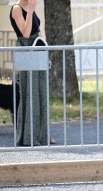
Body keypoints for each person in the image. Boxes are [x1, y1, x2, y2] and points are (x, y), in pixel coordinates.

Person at [9, 0, 55, 146]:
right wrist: (30, 10)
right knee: (30, 95)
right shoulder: (17, 8)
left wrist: (44, 57)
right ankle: (28, 137)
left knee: (41, 94)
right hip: (27, 52)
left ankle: (42, 136)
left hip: (36, 52)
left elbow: (36, 35)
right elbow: (26, 33)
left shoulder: (29, 7)